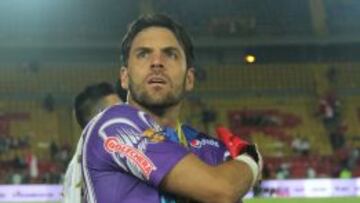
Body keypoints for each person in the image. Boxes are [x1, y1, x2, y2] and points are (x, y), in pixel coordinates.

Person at [81, 14, 262, 203]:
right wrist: (251, 159)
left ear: (189, 78)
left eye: (170, 54)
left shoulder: (208, 148)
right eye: (143, 54)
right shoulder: (113, 125)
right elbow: (223, 189)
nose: (157, 62)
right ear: (124, 77)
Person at [62, 82, 122, 203]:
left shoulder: (74, 168)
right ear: (101, 117)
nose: (128, 114)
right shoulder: (114, 162)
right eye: (120, 109)